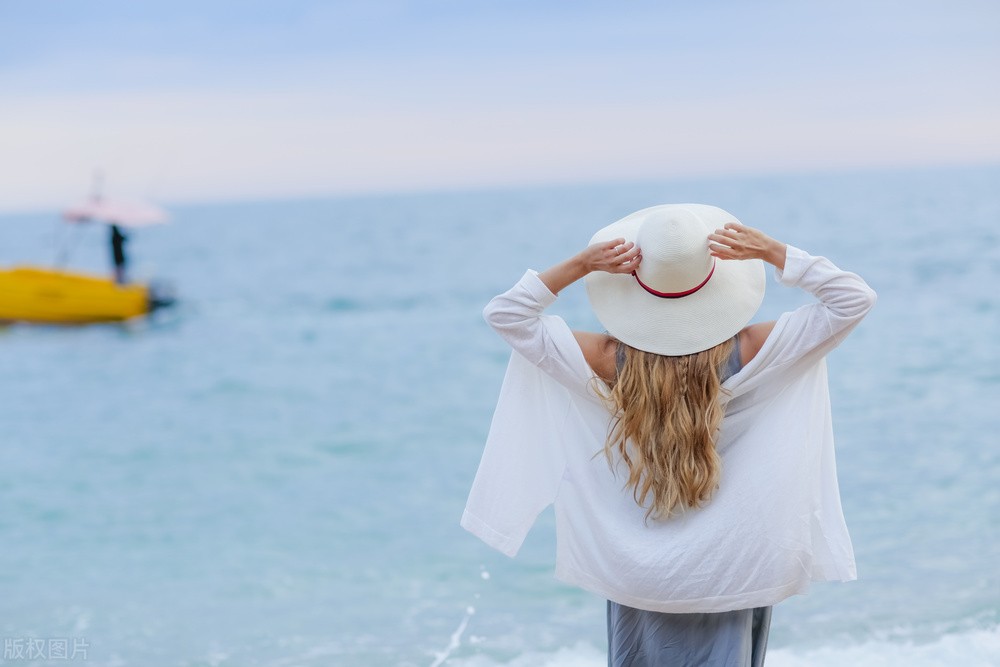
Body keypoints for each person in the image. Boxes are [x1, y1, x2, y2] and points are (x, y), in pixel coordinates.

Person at [462, 204, 876, 666]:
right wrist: (773, 252)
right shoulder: (753, 350)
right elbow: (853, 299)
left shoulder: (606, 358)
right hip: (731, 567)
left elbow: (506, 314)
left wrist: (581, 265)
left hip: (637, 572)